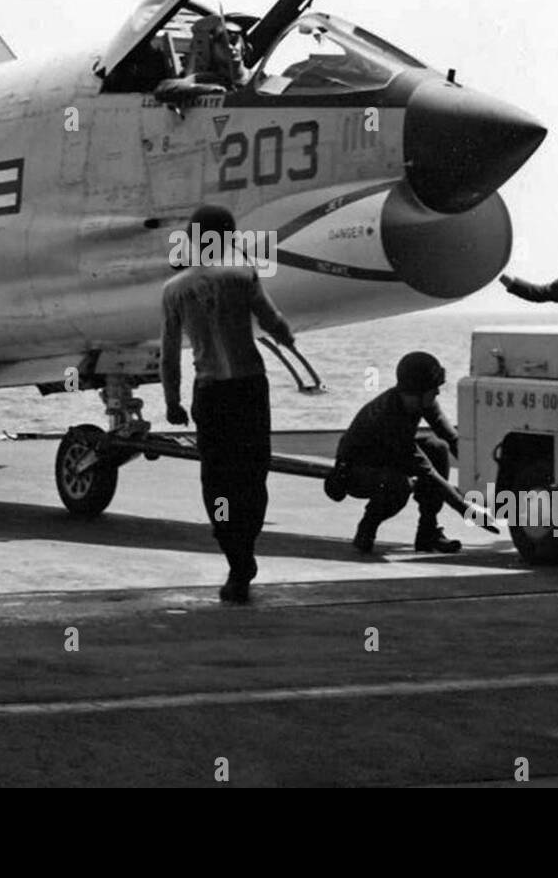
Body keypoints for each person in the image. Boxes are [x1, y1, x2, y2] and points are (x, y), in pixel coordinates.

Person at [160, 204, 293, 603]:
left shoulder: (174, 290)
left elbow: (169, 355)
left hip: (211, 393)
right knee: (253, 475)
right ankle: (246, 550)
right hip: (251, 390)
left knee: (216, 481)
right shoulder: (243, 275)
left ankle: (235, 557)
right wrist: (288, 338)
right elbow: (274, 322)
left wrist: (172, 402)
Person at [326, 352, 497, 555]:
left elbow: (452, 439)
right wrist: (468, 511)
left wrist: (487, 478)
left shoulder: (420, 400)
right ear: (418, 391)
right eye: (434, 389)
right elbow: (427, 472)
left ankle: (427, 532)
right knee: (399, 486)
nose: (438, 393)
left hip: (387, 458)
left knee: (438, 448)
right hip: (356, 472)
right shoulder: (389, 417)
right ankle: (366, 529)